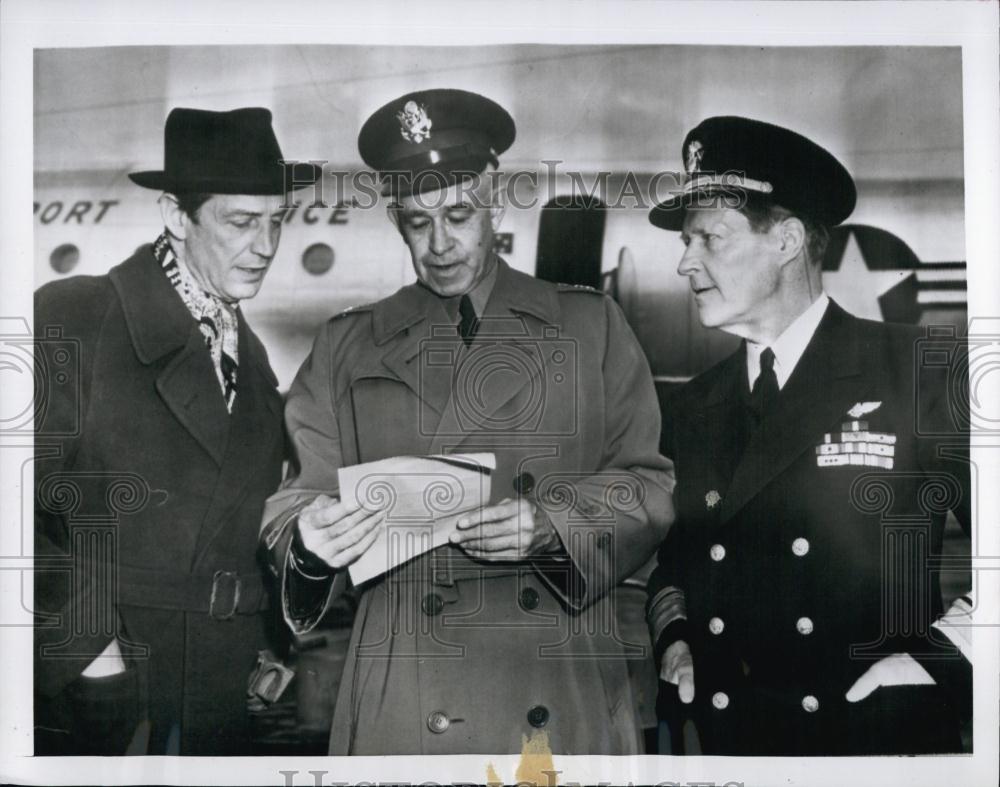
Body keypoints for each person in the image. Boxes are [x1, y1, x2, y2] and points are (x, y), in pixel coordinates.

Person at [260, 88, 674, 755]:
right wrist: (308, 541)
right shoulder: (347, 345)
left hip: (553, 667)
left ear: (496, 199)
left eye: (458, 214)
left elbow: (648, 486)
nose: (440, 243)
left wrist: (553, 523)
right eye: (417, 223)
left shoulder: (591, 326)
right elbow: (295, 500)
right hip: (406, 676)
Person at [645, 116, 972, 755]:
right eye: (686, 242)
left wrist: (941, 657)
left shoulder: (920, 369)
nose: (686, 263)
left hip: (873, 740)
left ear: (788, 240)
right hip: (733, 742)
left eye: (710, 238)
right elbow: (676, 560)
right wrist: (676, 637)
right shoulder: (693, 404)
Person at [33, 107, 321, 755]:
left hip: (219, 690)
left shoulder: (250, 355)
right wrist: (89, 652)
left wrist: (264, 643)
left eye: (277, 221)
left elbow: (234, 526)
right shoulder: (77, 317)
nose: (267, 245)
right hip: (102, 691)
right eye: (242, 222)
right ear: (175, 215)